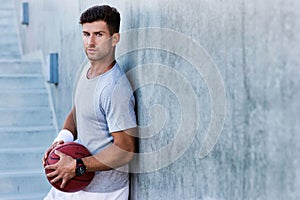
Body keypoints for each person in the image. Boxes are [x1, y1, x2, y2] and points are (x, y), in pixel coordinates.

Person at [43, 5, 137, 200]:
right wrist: (61, 141)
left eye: (99, 34)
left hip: (102, 192)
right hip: (74, 183)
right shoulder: (88, 71)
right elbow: (78, 111)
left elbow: (126, 149)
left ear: (114, 39)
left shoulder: (114, 88)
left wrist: (78, 165)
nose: (91, 42)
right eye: (86, 34)